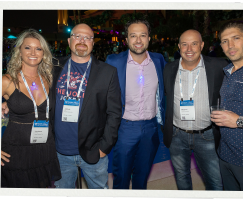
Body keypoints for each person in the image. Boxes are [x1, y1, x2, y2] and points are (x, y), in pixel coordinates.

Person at [47, 23, 121, 189]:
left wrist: (104, 147)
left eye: (87, 37)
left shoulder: (108, 72)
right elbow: (33, 88)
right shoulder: (53, 66)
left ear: (93, 43)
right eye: (77, 36)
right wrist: (7, 101)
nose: (82, 40)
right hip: (59, 152)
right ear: (69, 40)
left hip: (93, 150)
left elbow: (114, 113)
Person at [162, 29, 229, 190]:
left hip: (207, 135)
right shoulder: (169, 69)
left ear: (202, 45)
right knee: (182, 178)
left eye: (194, 43)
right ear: (178, 46)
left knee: (215, 181)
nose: (189, 49)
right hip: (177, 135)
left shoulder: (219, 66)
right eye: (184, 44)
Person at [105, 19, 166, 189]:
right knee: (121, 176)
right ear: (126, 39)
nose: (138, 40)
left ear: (149, 38)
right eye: (133, 35)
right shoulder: (113, 62)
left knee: (142, 176)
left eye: (142, 35)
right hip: (125, 128)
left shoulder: (159, 60)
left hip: (151, 128)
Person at [1, 29, 61, 188]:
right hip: (15, 151)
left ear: (44, 53)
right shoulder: (6, 81)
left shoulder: (49, 79)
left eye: (38, 48)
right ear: (19, 51)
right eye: (28, 47)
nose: (33, 52)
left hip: (44, 148)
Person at [210, 21, 243, 191]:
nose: (229, 45)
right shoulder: (228, 70)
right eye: (224, 41)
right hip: (225, 155)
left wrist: (239, 121)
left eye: (235, 38)